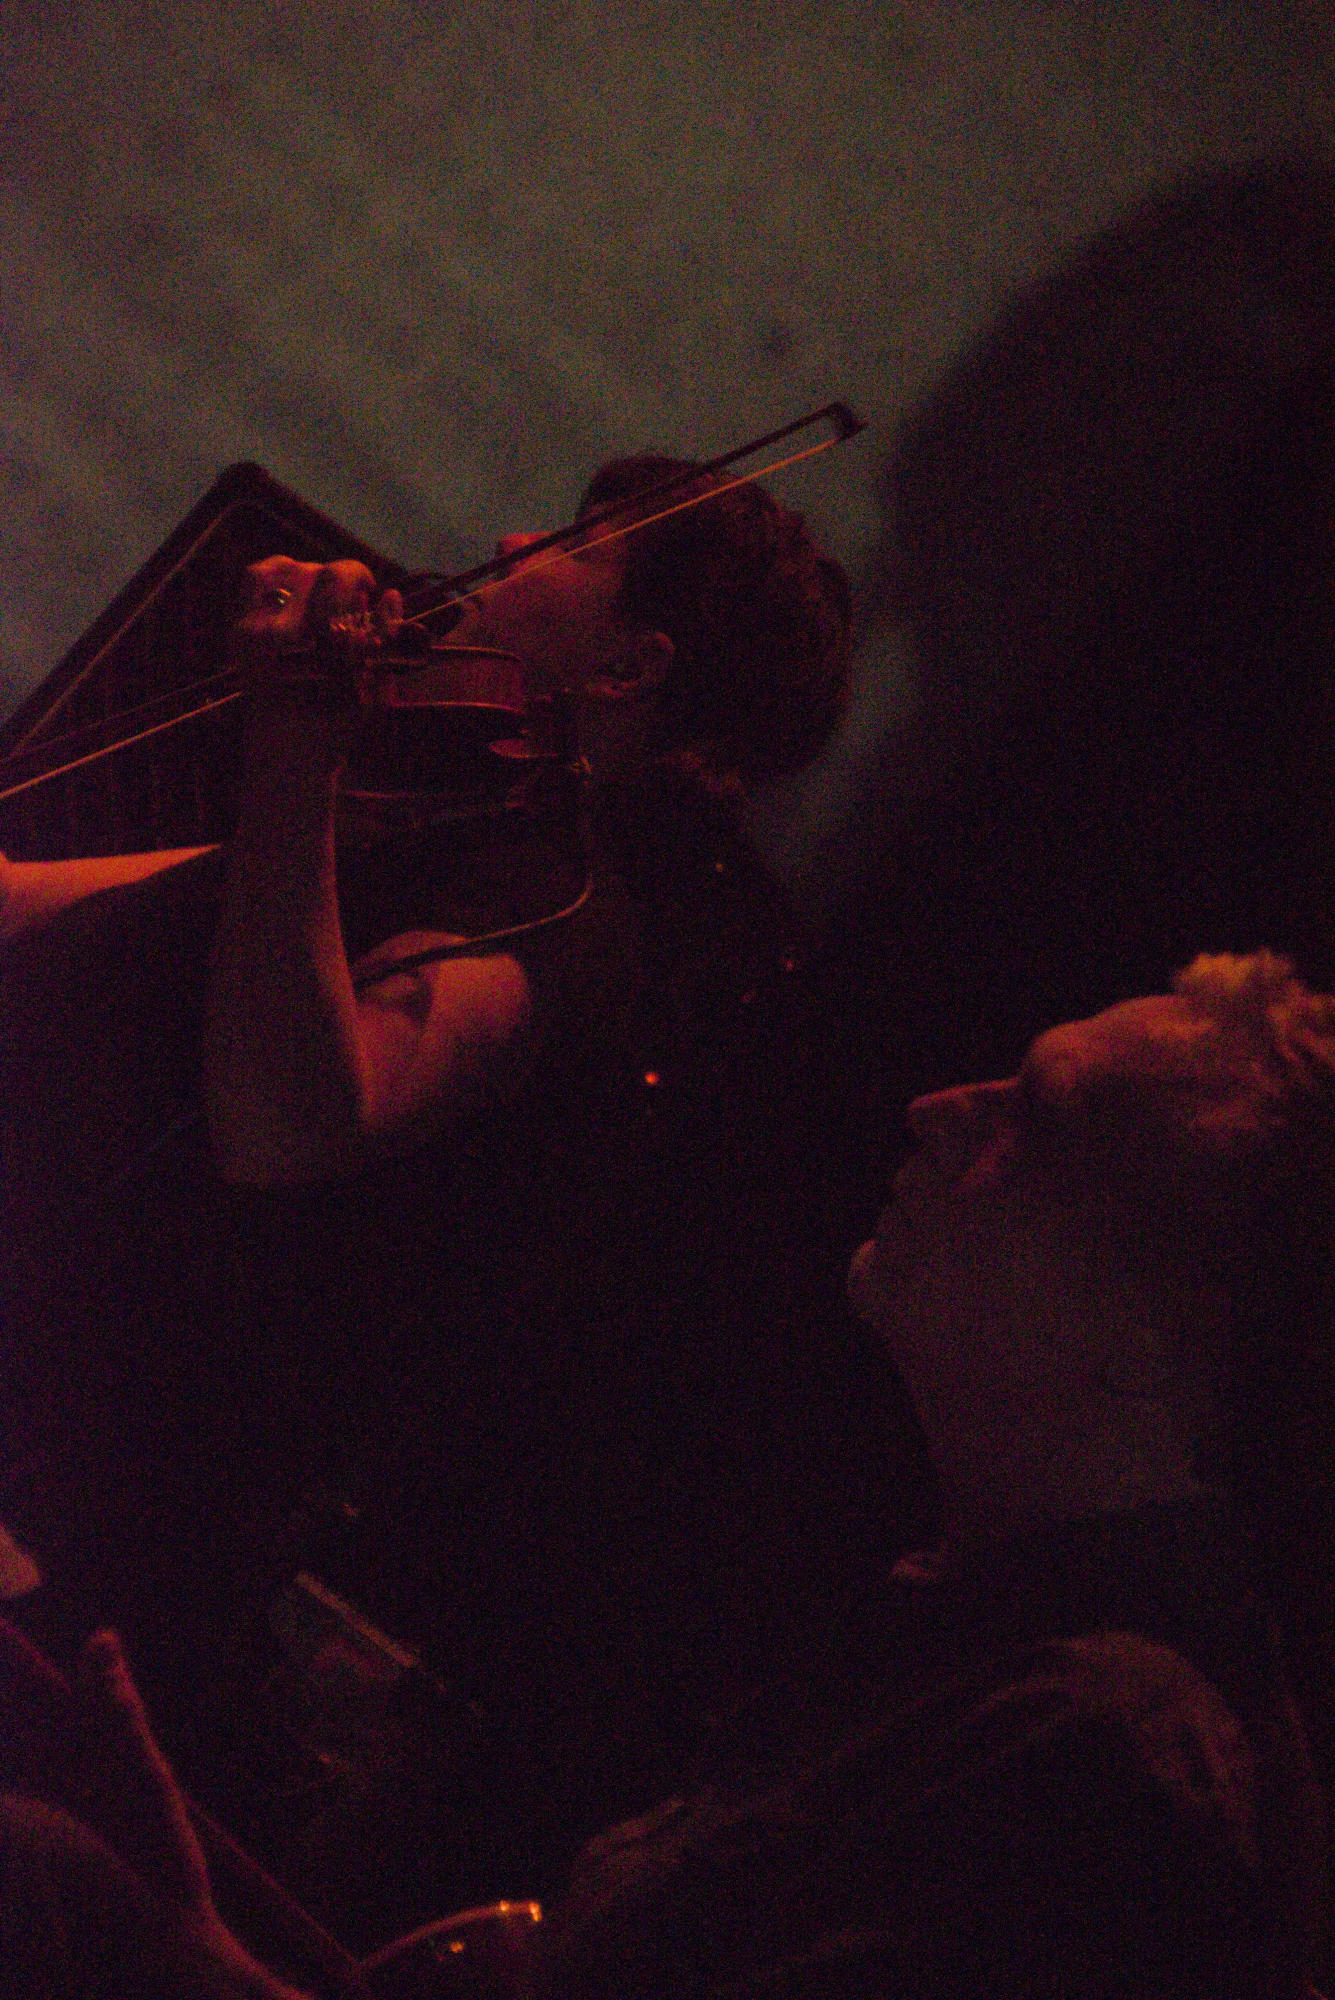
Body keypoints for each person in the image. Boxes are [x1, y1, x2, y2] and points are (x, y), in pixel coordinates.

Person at [0, 458, 894, 1937]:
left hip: (68, 1497)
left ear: (631, 666)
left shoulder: (558, 911)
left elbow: (296, 1118)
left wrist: (297, 740)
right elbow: (67, 906)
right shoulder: (425, 827)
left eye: (578, 544)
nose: (511, 537)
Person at [542, 948, 1333, 1999]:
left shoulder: (1096, 1758)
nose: (935, 1109)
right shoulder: (1007, 1629)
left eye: (1036, 1117)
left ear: (1163, 1332)